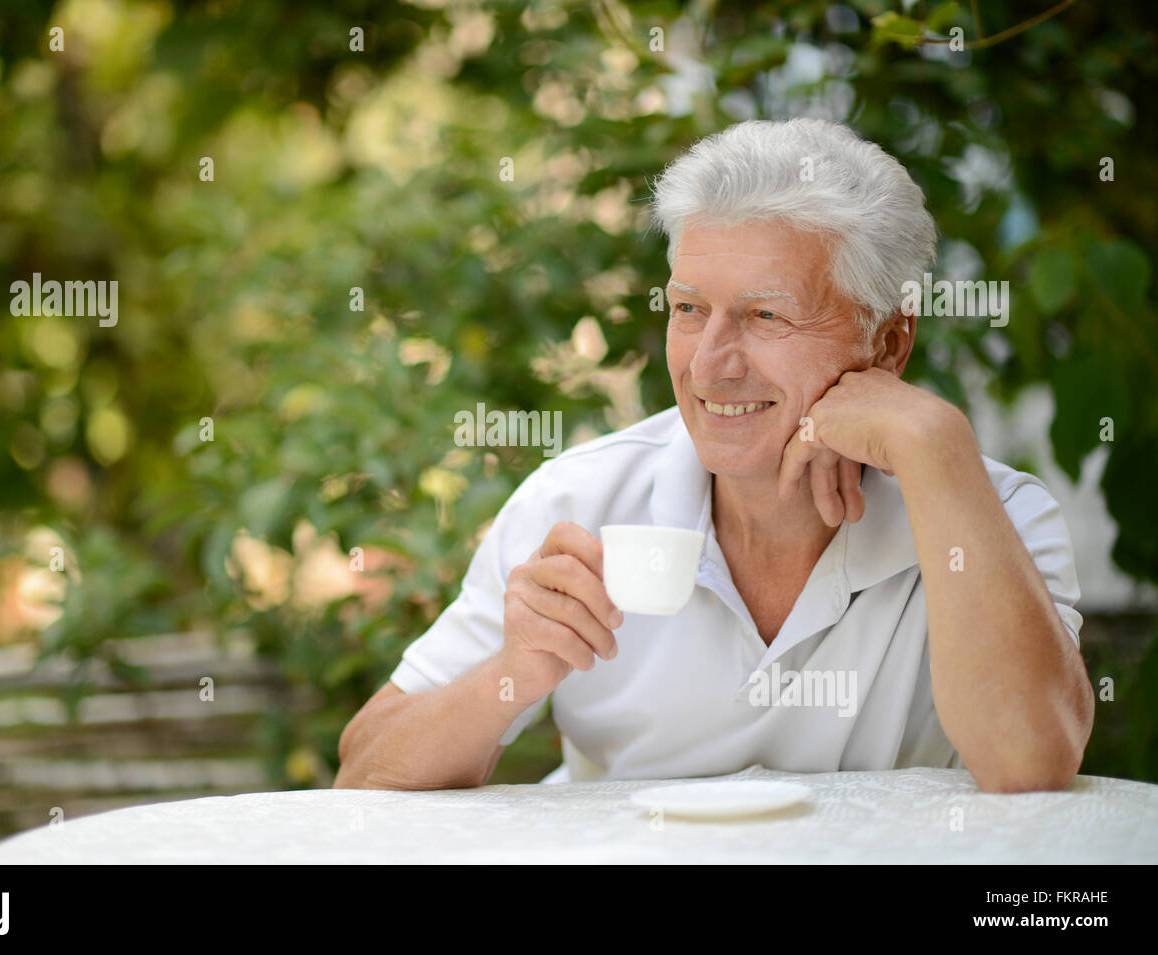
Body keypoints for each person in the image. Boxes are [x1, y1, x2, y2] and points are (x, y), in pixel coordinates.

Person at [335, 118, 1093, 793]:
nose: (709, 366)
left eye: (765, 315)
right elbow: (365, 769)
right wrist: (513, 673)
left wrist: (935, 445)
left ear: (889, 341)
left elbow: (1032, 761)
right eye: (690, 310)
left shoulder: (990, 513)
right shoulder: (575, 503)